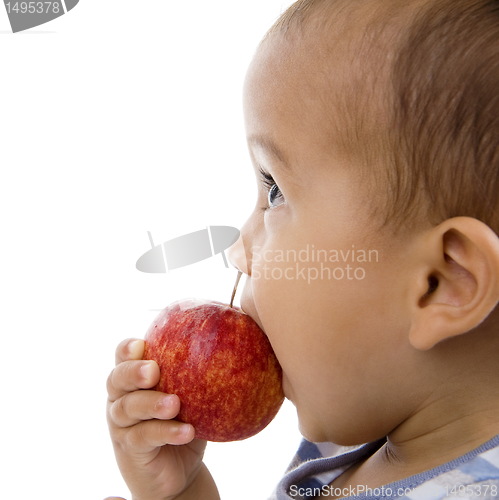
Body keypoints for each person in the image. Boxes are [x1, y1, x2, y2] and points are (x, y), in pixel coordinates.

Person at [105, 0, 499, 498]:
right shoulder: (355, 447)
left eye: (276, 192)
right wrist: (181, 491)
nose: (237, 251)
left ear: (440, 283)